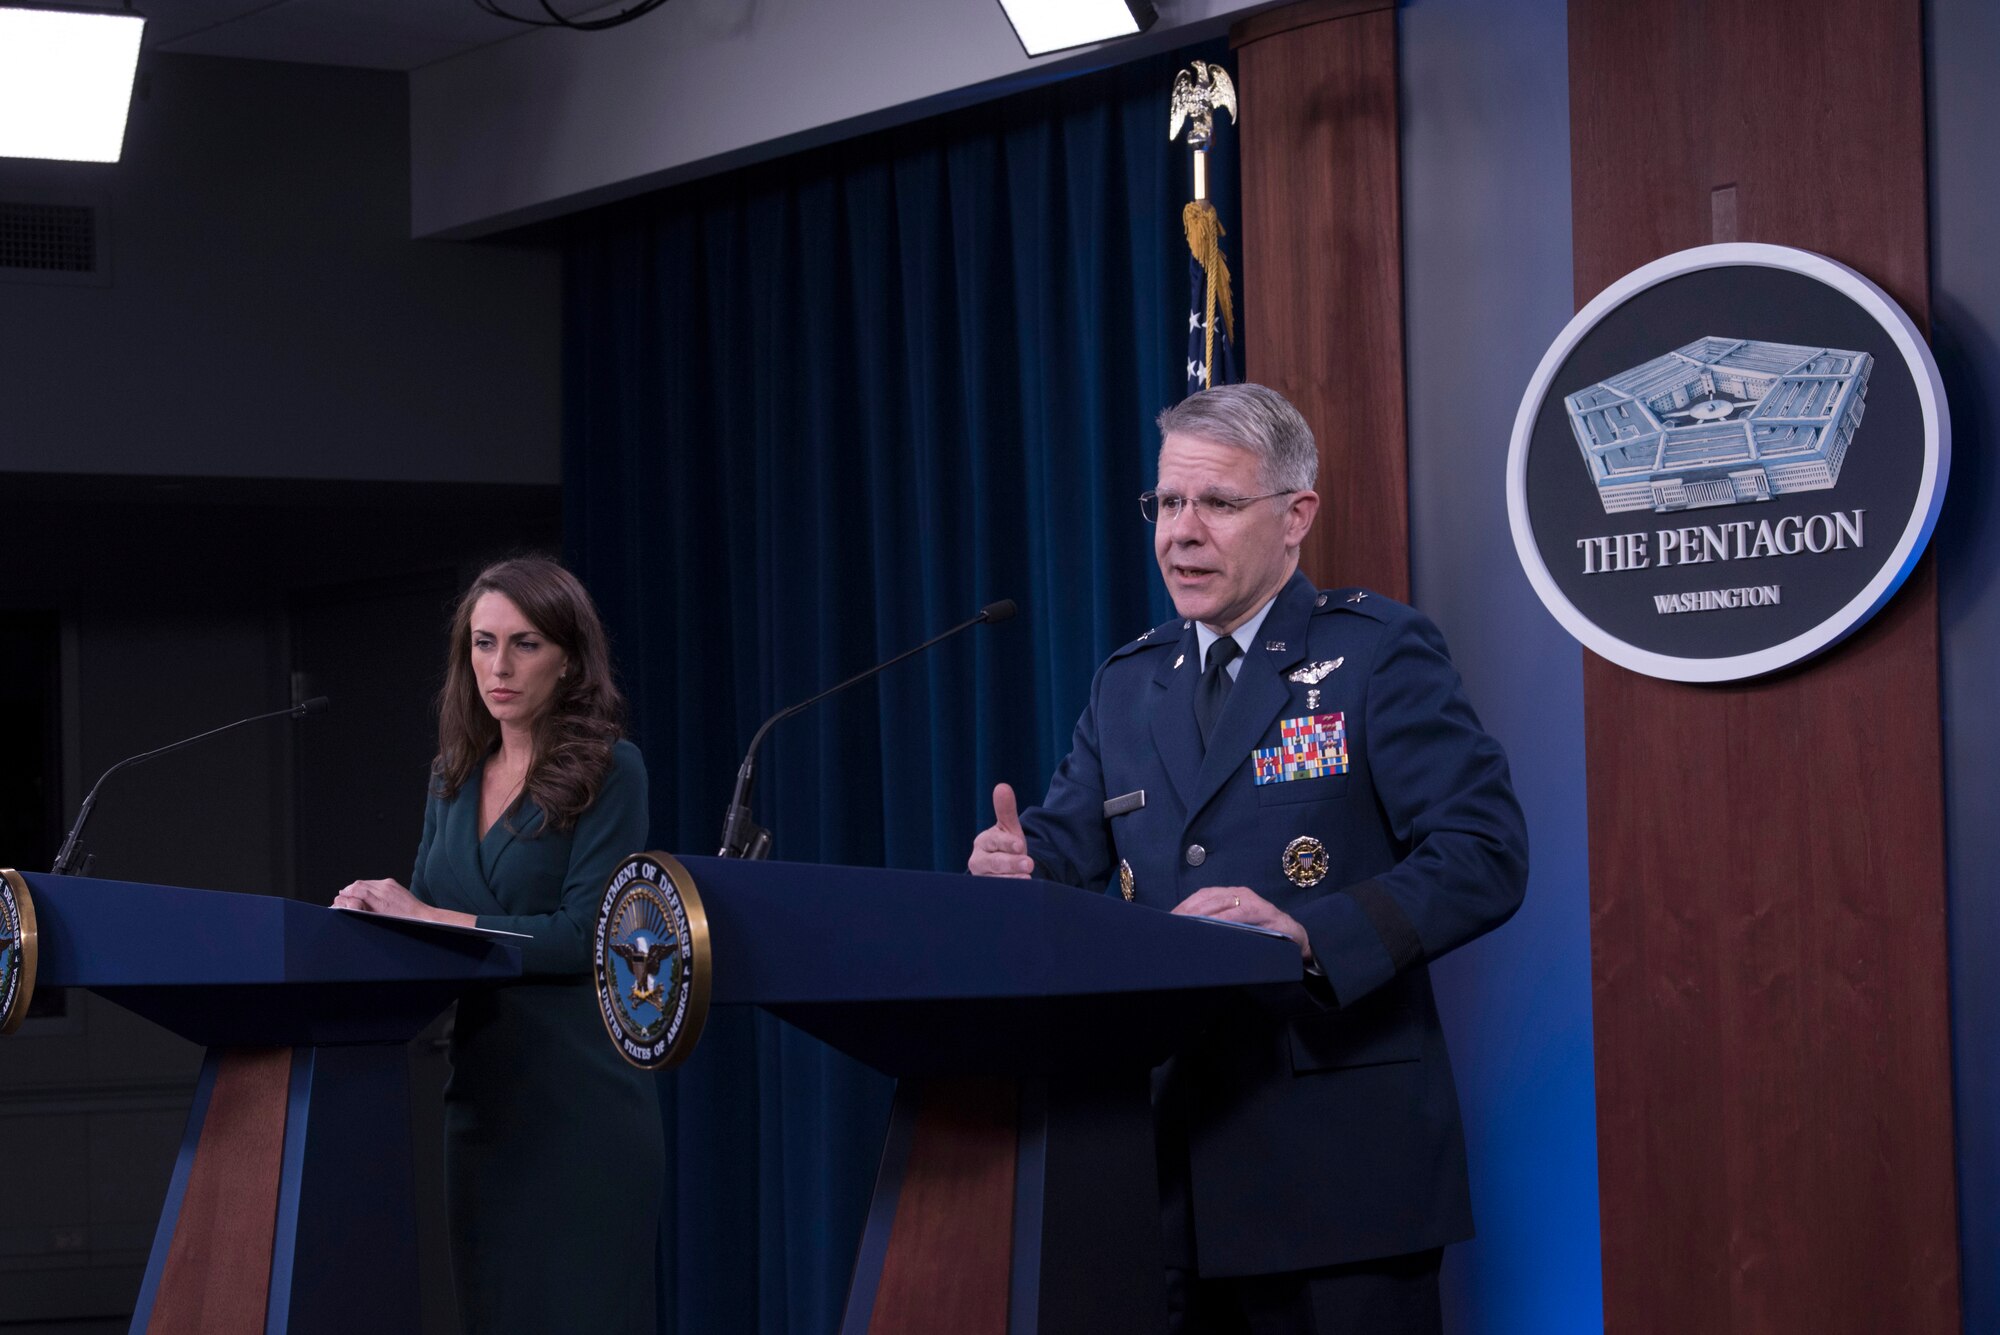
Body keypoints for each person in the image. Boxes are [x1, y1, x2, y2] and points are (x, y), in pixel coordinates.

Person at [969, 384, 1528, 1334]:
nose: (1182, 532)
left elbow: (1486, 851)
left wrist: (1308, 937)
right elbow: (1063, 848)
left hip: (1338, 1176)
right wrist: (1017, 869)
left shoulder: (1377, 654)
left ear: (1295, 515)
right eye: (1168, 502)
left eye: (1218, 503)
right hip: (1160, 1171)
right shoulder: (1128, 683)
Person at [335, 556, 660, 1335]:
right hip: (483, 1105)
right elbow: (420, 934)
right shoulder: (450, 778)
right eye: (483, 643)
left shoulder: (612, 769)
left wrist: (429, 916)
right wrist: (366, 924)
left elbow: (585, 935)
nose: (499, 667)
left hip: (580, 1105)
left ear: (569, 659)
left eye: (525, 643)